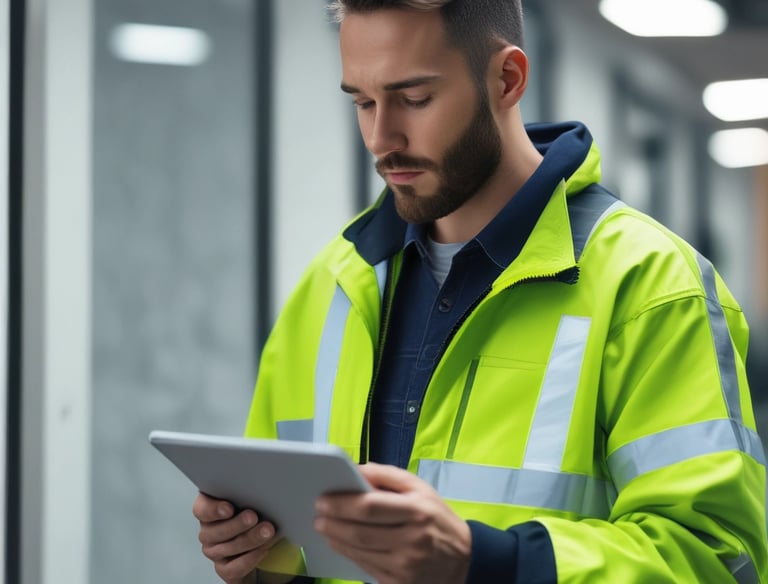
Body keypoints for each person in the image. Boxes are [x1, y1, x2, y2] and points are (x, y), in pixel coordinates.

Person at [192, 1, 768, 582]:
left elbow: (721, 561)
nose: (380, 138)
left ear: (507, 79)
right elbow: (295, 542)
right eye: (363, 102)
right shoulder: (332, 286)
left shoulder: (652, 287)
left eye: (414, 99)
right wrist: (258, 555)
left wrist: (479, 562)